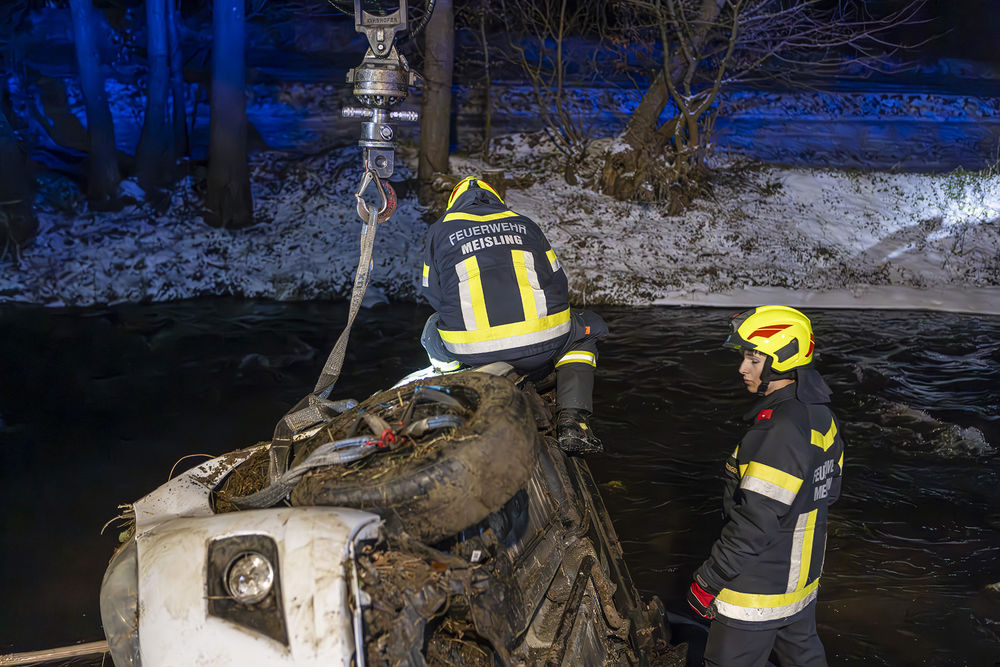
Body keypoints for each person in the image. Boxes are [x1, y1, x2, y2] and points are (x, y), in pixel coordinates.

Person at [687, 305, 844, 666]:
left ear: (781, 362)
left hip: (753, 594)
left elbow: (754, 523)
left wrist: (708, 580)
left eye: (754, 359)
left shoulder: (778, 429)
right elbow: (829, 492)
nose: (743, 368)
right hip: (799, 587)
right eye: (744, 357)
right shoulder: (821, 414)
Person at [419, 176, 607, 453]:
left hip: (474, 352)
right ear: (496, 199)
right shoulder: (524, 224)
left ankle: (460, 377)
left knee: (432, 328)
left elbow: (432, 293)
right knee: (590, 328)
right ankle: (573, 422)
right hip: (543, 345)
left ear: (454, 203)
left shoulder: (440, 230)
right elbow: (557, 280)